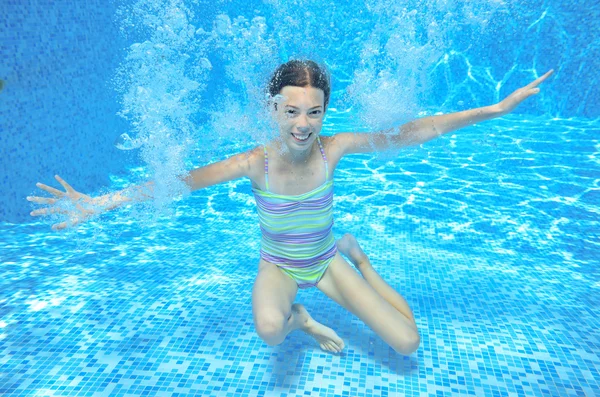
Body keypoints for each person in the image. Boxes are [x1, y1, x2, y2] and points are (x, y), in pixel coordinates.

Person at [28, 60, 553, 355]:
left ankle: (363, 260)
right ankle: (302, 318)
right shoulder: (255, 161)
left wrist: (496, 109)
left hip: (327, 261)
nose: (303, 123)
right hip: (279, 266)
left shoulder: (336, 147)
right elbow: (177, 183)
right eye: (292, 110)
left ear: (325, 111)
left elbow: (413, 132)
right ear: (272, 109)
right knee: (269, 329)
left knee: (409, 343)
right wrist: (101, 202)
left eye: (315, 112)